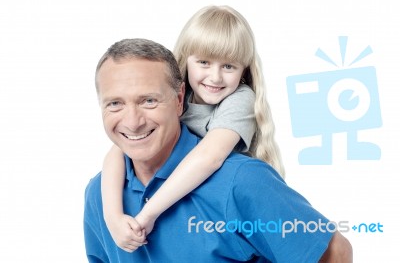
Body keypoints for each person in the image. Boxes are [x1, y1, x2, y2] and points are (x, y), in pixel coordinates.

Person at [84, 37, 352, 262]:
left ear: (179, 100)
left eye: (149, 101)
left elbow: (336, 253)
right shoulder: (100, 195)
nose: (133, 121)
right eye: (115, 104)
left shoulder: (241, 181)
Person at [101, 5, 286, 252]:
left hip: (225, 208)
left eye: (228, 66)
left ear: (244, 70)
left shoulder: (240, 99)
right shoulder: (177, 95)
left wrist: (147, 214)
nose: (215, 77)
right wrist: (112, 218)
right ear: (186, 60)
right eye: (204, 62)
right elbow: (119, 150)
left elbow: (209, 158)